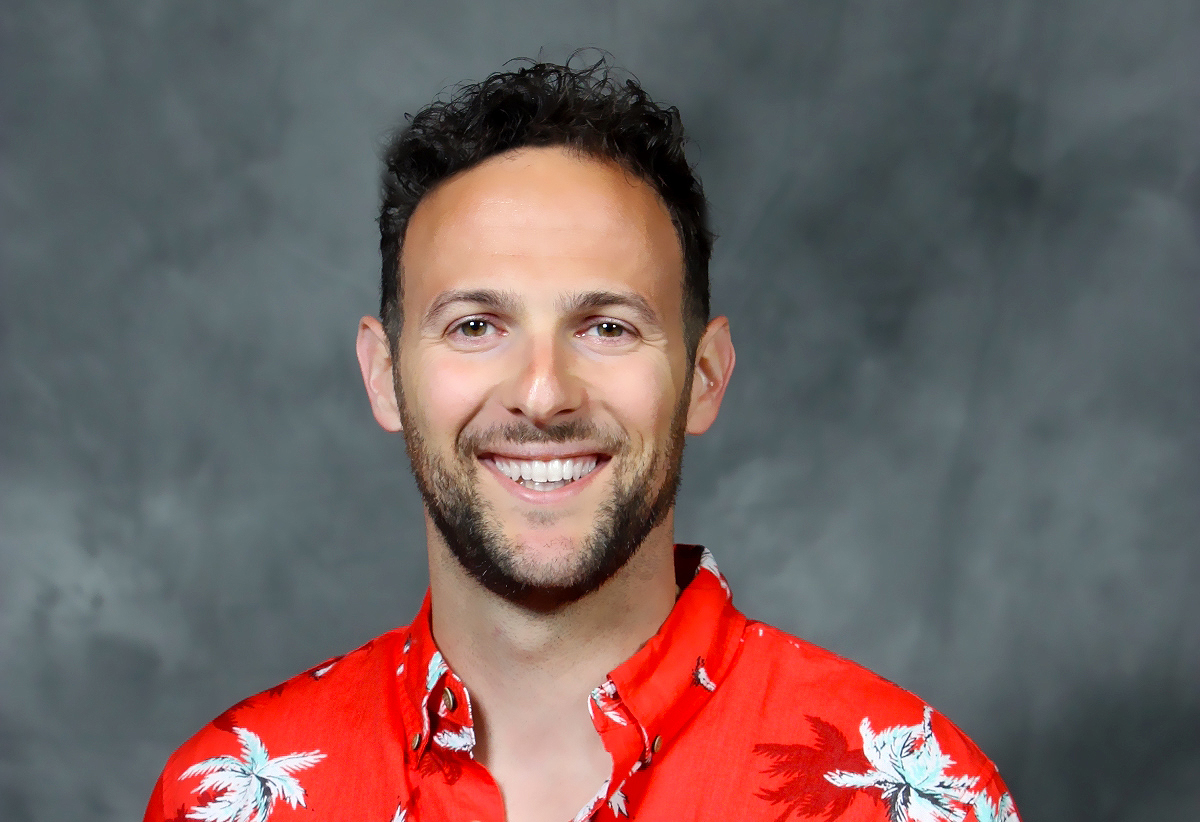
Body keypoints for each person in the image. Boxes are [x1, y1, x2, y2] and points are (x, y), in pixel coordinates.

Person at [144, 59, 1021, 822]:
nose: (542, 394)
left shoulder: (915, 803)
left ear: (704, 376)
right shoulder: (224, 800)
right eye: (476, 325)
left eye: (606, 327)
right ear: (383, 375)